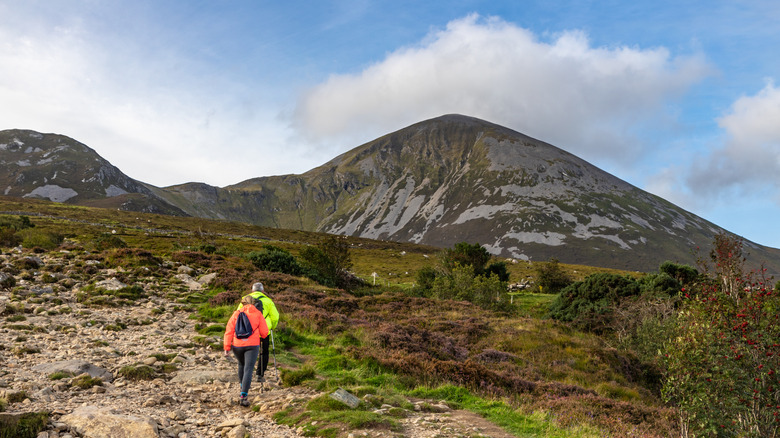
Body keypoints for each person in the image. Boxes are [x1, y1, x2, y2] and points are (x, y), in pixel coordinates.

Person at [224, 295, 269, 406]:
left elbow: (229, 331)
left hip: (237, 345)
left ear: (243, 303)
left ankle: (242, 386)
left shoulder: (236, 314)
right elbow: (265, 332)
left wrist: (226, 347)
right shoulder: (258, 314)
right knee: (249, 368)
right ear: (253, 303)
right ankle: (243, 396)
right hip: (252, 345)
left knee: (241, 365)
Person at [238, 282, 279, 382]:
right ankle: (259, 375)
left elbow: (238, 314)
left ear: (252, 290)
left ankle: (245, 373)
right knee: (263, 352)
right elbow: (275, 317)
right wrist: (271, 327)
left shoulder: (245, 300)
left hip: (249, 331)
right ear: (263, 291)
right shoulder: (268, 301)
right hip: (263, 330)